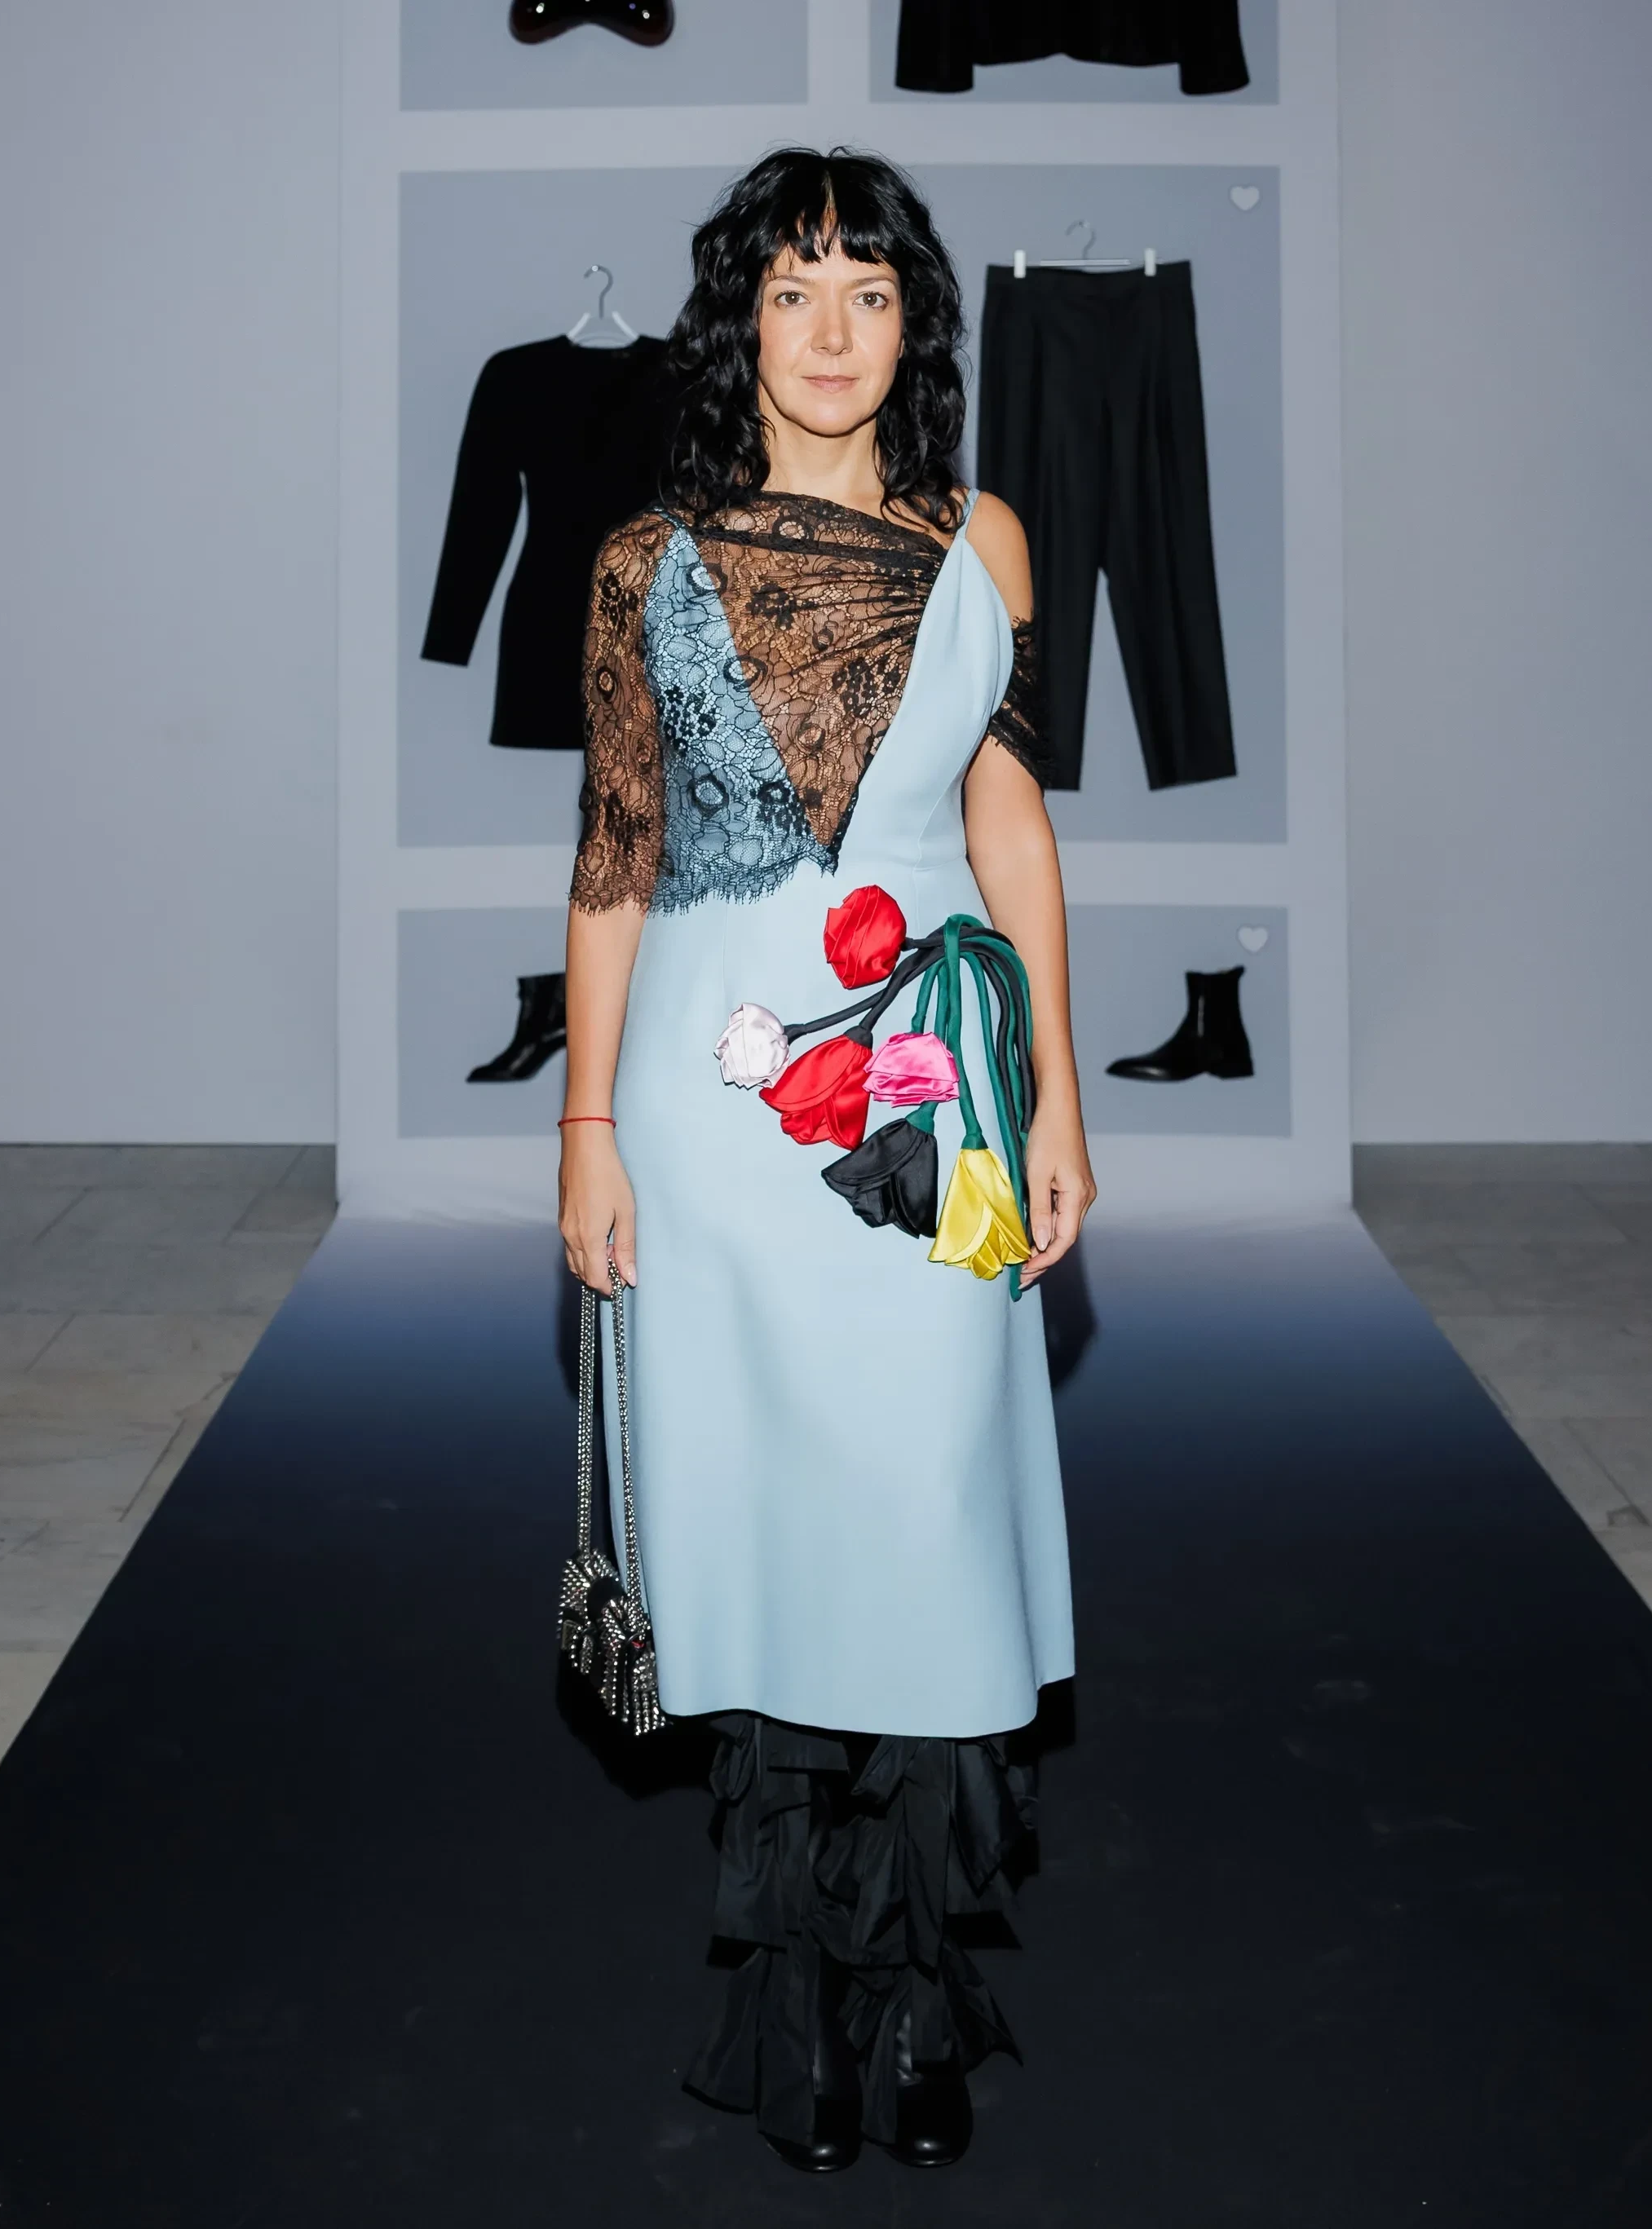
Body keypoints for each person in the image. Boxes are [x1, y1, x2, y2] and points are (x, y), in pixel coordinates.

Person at [556, 146, 1093, 2175]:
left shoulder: (983, 540)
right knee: (774, 1547)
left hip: (937, 1101)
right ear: (743, 323)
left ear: (913, 326)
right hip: (716, 1113)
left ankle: (921, 1995)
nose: (835, 329)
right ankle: (799, 2009)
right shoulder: (643, 564)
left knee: (931, 1523)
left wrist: (1059, 1094)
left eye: (872, 291)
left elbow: (1013, 825)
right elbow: (615, 864)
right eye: (796, 291)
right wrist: (585, 1128)